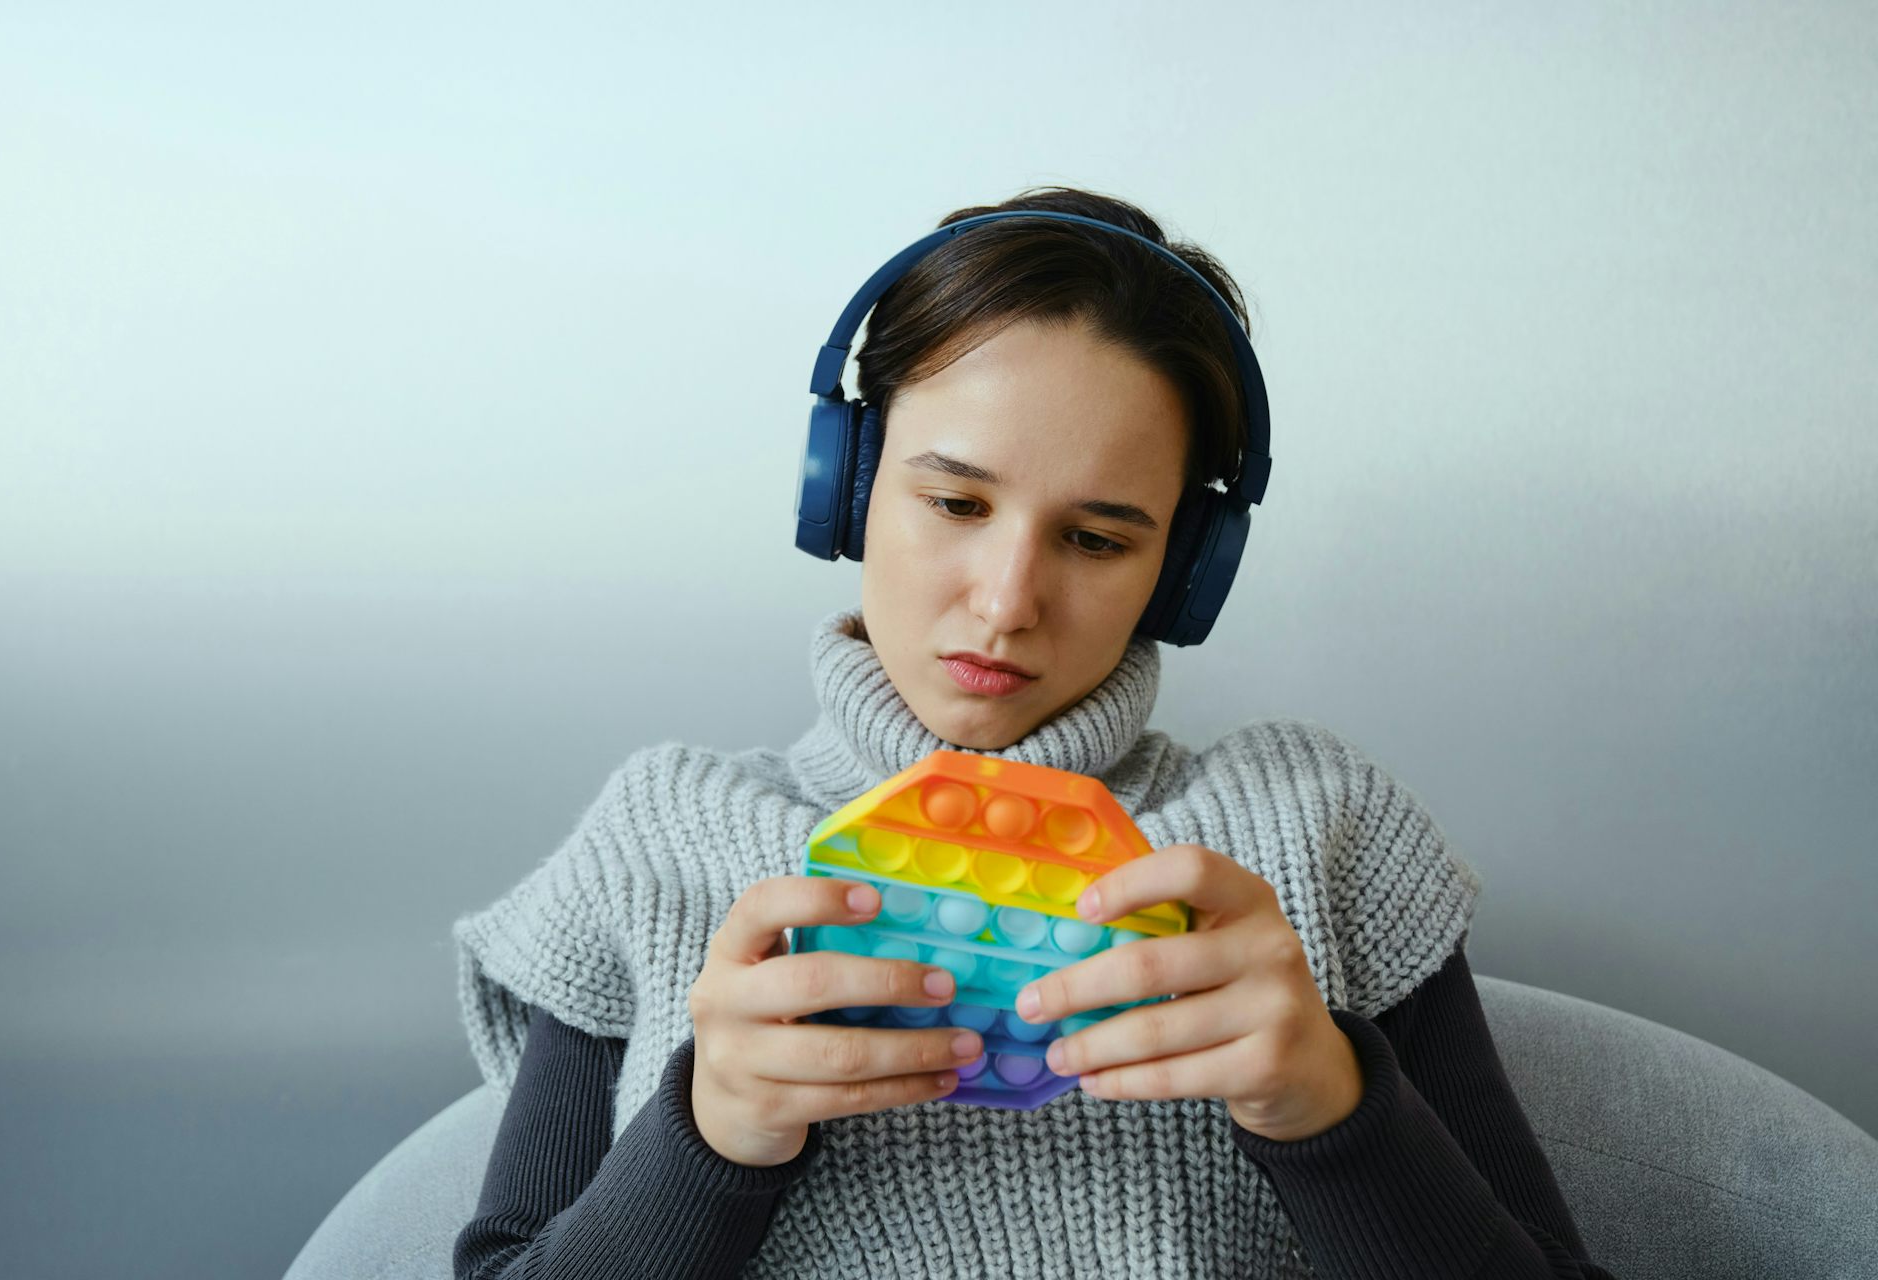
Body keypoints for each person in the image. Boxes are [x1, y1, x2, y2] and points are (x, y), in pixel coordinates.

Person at [449, 186, 1617, 1278]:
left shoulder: (1323, 826)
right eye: (956, 502)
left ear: (1183, 571)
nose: (1008, 600)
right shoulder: (661, 831)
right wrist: (706, 1138)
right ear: (846, 486)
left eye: (1099, 538)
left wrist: (1334, 1108)